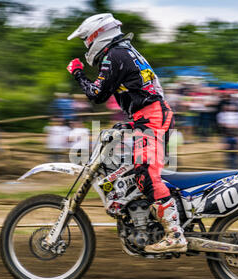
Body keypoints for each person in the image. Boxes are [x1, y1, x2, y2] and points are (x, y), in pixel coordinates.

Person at [66, 13, 187, 253]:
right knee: (131, 168)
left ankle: (175, 234)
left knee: (145, 172)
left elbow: (97, 95)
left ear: (97, 36)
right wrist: (128, 124)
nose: (86, 46)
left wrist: (78, 73)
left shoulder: (115, 56)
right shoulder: (124, 51)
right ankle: (148, 217)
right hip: (147, 117)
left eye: (86, 41)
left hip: (152, 118)